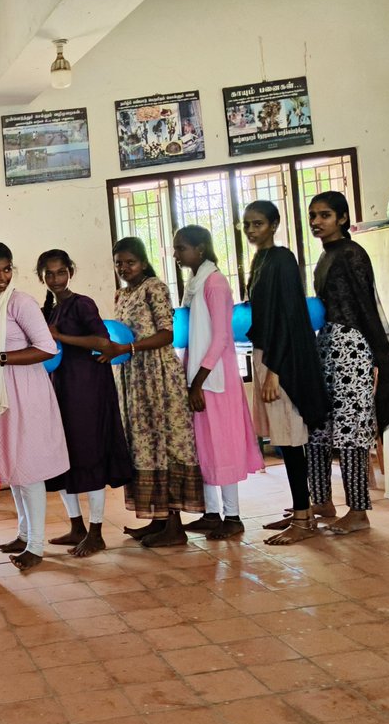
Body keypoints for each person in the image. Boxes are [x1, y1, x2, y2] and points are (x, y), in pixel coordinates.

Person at [305, 191, 389, 535]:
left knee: (350, 429)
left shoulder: (352, 254)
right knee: (317, 426)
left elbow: (365, 308)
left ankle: (358, 511)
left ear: (343, 219)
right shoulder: (325, 258)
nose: (317, 222)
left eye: (325, 215)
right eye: (313, 216)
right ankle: (320, 500)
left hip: (352, 349)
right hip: (326, 347)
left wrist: (380, 359)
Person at [0, 242, 68, 570]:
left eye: (7, 269)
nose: (2, 277)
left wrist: (2, 358)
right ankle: (24, 534)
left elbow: (48, 348)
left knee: (29, 468)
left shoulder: (20, 302)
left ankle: (36, 545)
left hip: (25, 391)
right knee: (11, 465)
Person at [98, 238, 204, 547]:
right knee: (144, 447)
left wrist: (129, 347)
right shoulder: (123, 293)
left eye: (130, 262)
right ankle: (158, 520)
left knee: (163, 443)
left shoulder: (155, 287)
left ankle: (174, 526)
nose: (124, 268)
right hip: (134, 378)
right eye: (119, 263)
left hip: (157, 379)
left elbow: (167, 333)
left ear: (143, 263)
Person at [241, 201, 331, 545]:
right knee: (281, 439)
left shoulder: (281, 259)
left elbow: (290, 316)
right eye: (246, 224)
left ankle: (305, 519)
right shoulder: (260, 259)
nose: (251, 230)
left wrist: (276, 371)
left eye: (258, 223)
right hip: (266, 353)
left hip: (284, 360)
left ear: (275, 224)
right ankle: (300, 510)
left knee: (292, 441)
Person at [35, 249, 133, 557]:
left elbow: (103, 342)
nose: (55, 279)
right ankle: (76, 526)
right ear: (42, 277)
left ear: (71, 272)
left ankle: (96, 532)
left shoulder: (82, 304)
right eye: (49, 274)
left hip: (87, 391)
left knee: (89, 458)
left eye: (60, 272)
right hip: (61, 391)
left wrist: (61, 337)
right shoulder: (49, 309)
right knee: (63, 458)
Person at [172, 226, 265, 539]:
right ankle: (211, 514)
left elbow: (222, 337)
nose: (176, 254)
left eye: (181, 248)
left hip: (215, 378)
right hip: (199, 375)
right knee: (205, 447)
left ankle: (233, 517)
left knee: (222, 446)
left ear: (200, 249)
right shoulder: (196, 282)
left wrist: (198, 381)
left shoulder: (216, 283)